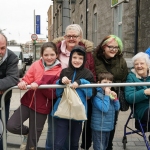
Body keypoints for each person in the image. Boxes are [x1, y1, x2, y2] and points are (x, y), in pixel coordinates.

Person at [45, 24, 96, 150]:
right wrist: (61, 82)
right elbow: (58, 93)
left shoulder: (87, 73)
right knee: (58, 141)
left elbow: (91, 92)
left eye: (80, 58)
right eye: (74, 57)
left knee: (74, 142)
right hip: (62, 109)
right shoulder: (65, 71)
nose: (77, 60)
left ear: (85, 59)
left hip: (78, 111)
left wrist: (81, 82)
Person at [6, 42, 62, 150]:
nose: (49, 58)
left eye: (52, 55)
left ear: (56, 55)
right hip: (27, 102)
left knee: (32, 144)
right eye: (46, 55)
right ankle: (27, 132)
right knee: (11, 125)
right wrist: (23, 83)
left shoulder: (59, 71)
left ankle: (30, 137)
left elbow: (53, 93)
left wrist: (39, 84)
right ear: (42, 55)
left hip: (42, 107)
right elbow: (27, 78)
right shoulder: (36, 64)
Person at [93, 35, 128, 150]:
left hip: (114, 95)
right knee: (97, 121)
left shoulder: (121, 60)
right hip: (98, 94)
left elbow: (124, 76)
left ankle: (109, 145)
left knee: (112, 121)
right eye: (110, 46)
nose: (113, 49)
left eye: (116, 47)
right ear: (103, 47)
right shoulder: (95, 57)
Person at [91, 72, 120, 150]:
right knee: (99, 147)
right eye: (105, 82)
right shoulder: (96, 95)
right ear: (98, 83)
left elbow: (117, 108)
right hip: (99, 127)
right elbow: (104, 109)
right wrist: (107, 95)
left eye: (110, 82)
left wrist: (115, 99)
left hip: (108, 126)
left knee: (105, 146)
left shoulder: (109, 93)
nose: (107, 84)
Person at [0, 33, 19, 150]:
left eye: (2, 48)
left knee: (1, 131)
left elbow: (13, 78)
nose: (0, 51)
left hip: (2, 101)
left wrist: (3, 87)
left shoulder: (12, 57)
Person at [125, 52, 150, 126]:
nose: (139, 66)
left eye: (142, 63)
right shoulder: (131, 77)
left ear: (147, 65)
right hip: (142, 108)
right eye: (136, 64)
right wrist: (144, 92)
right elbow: (129, 97)